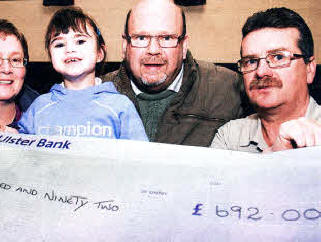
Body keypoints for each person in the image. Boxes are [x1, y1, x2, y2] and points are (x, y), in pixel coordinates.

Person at [102, 0, 244, 146]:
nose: (153, 50)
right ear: (125, 46)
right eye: (141, 38)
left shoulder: (229, 89)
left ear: (184, 46)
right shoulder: (97, 93)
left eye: (167, 38)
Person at [16, 7, 148, 140]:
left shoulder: (120, 106)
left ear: (99, 53)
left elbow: (140, 157)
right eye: (59, 44)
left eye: (80, 41)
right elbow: (16, 151)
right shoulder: (39, 107)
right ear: (51, 57)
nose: (70, 49)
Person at [211, 7, 321, 152]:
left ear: (309, 69)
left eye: (278, 57)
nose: (261, 72)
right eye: (251, 61)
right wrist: (277, 151)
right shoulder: (230, 137)